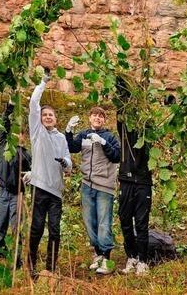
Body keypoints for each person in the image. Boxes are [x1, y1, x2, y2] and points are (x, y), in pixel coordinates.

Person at [25, 73, 72, 276]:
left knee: (55, 231)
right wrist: (43, 82)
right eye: (44, 115)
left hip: (56, 192)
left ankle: (50, 269)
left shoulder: (61, 137)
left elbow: (69, 164)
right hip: (39, 188)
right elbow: (34, 103)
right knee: (36, 229)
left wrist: (65, 163)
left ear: (56, 119)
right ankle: (31, 265)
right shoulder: (37, 132)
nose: (47, 117)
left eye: (50, 115)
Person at [65, 107, 121, 275]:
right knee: (90, 222)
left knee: (104, 223)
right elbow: (72, 147)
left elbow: (117, 156)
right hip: (87, 185)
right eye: (95, 115)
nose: (97, 118)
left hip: (104, 186)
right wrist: (68, 130)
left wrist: (103, 143)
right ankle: (97, 254)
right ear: (89, 118)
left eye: (101, 116)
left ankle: (107, 260)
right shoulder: (83, 135)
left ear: (104, 120)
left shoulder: (109, 136)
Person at [115, 77, 152, 276]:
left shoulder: (150, 130)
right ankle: (131, 257)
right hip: (126, 180)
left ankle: (143, 261)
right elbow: (120, 113)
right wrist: (122, 89)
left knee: (142, 222)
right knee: (124, 219)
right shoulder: (125, 131)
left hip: (144, 182)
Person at [0, 101, 32, 268]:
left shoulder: (26, 154)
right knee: (1, 223)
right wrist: (10, 107)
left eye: (21, 134)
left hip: (18, 193)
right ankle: (0, 248)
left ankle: (17, 257)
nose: (18, 136)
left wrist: (32, 175)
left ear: (24, 137)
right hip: (2, 191)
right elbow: (3, 126)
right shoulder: (4, 144)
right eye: (15, 133)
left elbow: (33, 170)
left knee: (17, 225)